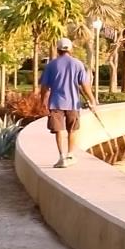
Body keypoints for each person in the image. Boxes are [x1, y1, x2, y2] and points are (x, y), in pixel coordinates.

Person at [37, 36, 98, 168]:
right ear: (70, 49)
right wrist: (92, 100)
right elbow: (84, 84)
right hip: (73, 103)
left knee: (58, 130)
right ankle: (70, 155)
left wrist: (43, 101)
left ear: (58, 50)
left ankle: (61, 157)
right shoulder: (78, 64)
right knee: (72, 129)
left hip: (55, 102)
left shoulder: (51, 65)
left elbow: (44, 87)